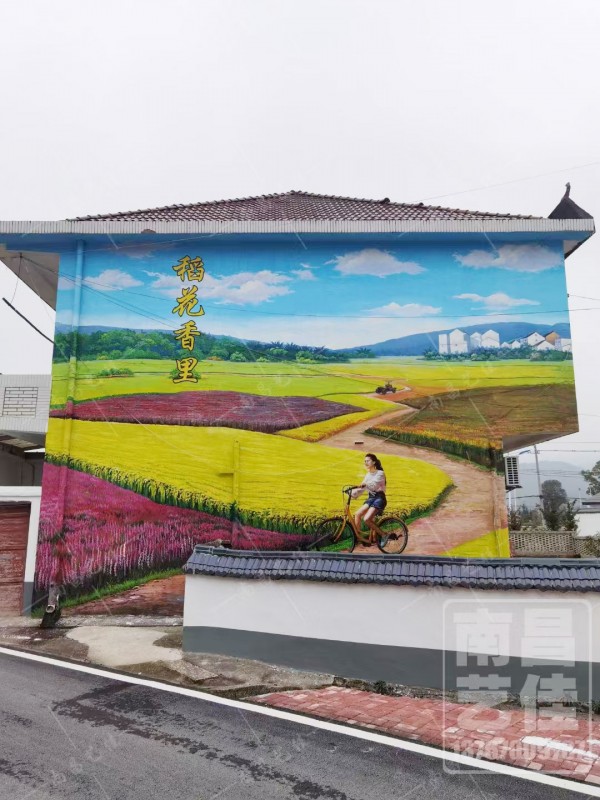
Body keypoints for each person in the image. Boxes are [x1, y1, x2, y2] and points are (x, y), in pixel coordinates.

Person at [351, 453, 387, 534]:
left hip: (379, 498)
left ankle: (384, 535)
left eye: (368, 461)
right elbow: (361, 488)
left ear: (374, 462)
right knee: (357, 514)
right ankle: (358, 538)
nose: (365, 463)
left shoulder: (380, 473)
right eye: (365, 461)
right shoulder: (368, 475)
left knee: (366, 519)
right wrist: (352, 493)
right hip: (371, 498)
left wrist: (365, 484)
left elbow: (374, 486)